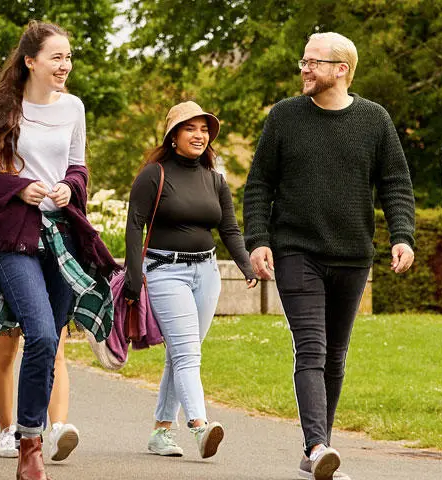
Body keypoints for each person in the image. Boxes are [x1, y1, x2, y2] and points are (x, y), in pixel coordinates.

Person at [239, 32, 418, 480]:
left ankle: (320, 448)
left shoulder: (374, 120)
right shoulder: (284, 117)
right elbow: (259, 183)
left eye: (313, 62)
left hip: (353, 255)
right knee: (313, 349)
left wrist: (403, 235)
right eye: (303, 61)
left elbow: (395, 182)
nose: (304, 68)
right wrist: (258, 239)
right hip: (297, 250)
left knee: (336, 355)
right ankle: (318, 446)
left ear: (341, 69)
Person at [0, 20, 119, 480]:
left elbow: (79, 165)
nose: (65, 65)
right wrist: (18, 188)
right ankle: (29, 445)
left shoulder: (75, 108)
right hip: (15, 236)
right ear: (30, 61)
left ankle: (31, 435)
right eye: (56, 57)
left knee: (52, 340)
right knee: (41, 335)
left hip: (64, 237)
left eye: (68, 57)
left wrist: (69, 186)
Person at [122, 101, 255, 460]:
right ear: (173, 136)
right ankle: (200, 425)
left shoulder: (215, 179)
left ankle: (161, 432)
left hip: (207, 272)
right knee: (186, 354)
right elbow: (135, 225)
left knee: (181, 356)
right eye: (190, 128)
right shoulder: (154, 174)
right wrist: (135, 276)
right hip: (166, 272)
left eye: (204, 129)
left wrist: (246, 266)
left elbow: (228, 227)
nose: (199, 135)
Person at [0, 215, 75, 460]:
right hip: (7, 254)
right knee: (5, 353)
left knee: (54, 349)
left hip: (51, 252)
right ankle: (7, 430)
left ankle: (57, 429)